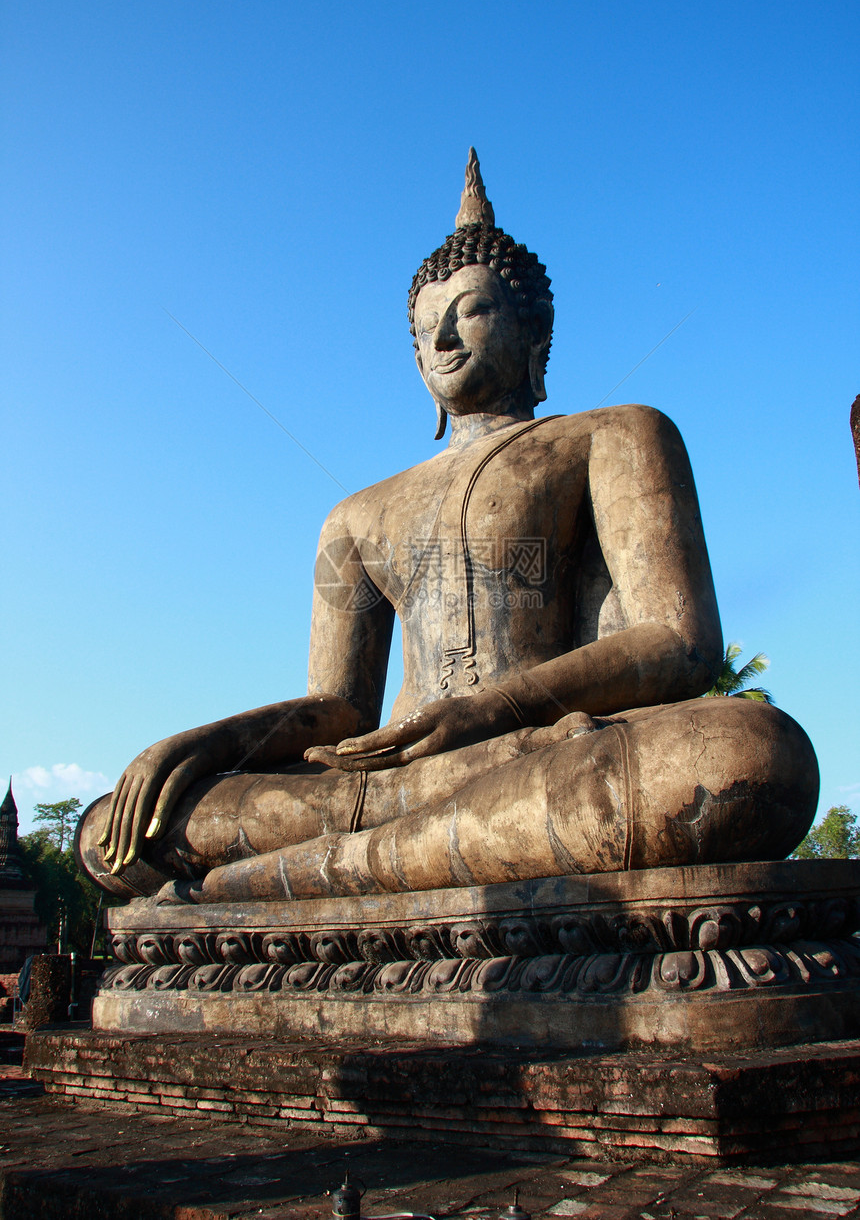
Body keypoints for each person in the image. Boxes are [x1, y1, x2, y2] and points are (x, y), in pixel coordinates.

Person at [76, 151, 818, 904]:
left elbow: (679, 642)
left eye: (471, 310)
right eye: (426, 327)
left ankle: (272, 880)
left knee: (751, 755)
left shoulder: (617, 435)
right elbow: (338, 711)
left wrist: (494, 712)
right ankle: (385, 856)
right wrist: (208, 746)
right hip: (379, 784)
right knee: (113, 827)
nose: (443, 340)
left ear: (534, 334)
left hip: (529, 758)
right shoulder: (356, 516)